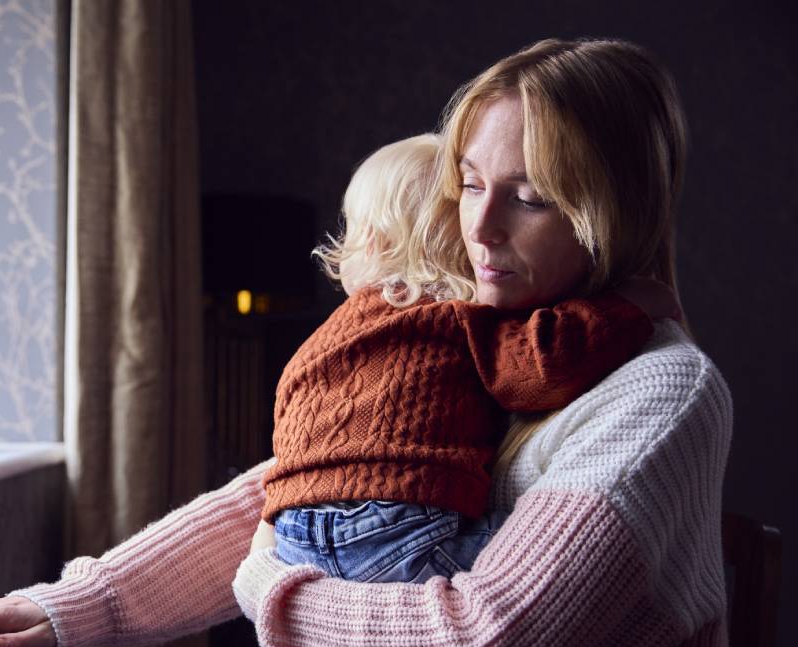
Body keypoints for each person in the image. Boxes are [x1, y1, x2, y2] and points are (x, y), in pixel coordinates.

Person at [0, 37, 732, 647]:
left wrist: (268, 588)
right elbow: (309, 488)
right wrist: (77, 601)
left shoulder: (660, 390)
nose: (478, 227)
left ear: (609, 212)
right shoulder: (495, 333)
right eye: (470, 183)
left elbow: (482, 644)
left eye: (531, 197)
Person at [261, 133, 674, 585]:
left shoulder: (330, 334)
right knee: (562, 568)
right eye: (471, 194)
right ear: (457, 244)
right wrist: (629, 306)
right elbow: (543, 363)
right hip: (396, 528)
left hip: (293, 534)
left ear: (370, 243)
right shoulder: (454, 318)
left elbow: (291, 424)